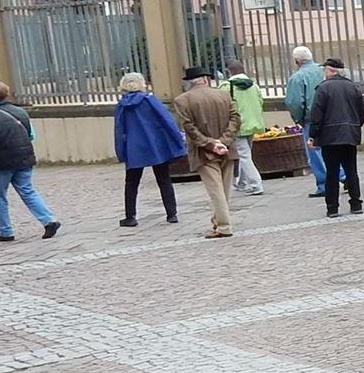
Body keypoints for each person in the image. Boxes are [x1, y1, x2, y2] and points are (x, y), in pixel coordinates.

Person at [0, 81, 61, 243]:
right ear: (7, 94)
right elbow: (31, 135)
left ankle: (5, 231)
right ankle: (48, 220)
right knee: (28, 191)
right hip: (24, 158)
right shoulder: (21, 112)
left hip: (0, 162)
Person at [172, 68, 241, 239]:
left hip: (204, 152)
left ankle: (224, 226)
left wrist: (210, 144)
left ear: (189, 82)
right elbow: (235, 119)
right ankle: (218, 222)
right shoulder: (224, 95)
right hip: (227, 149)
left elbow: (189, 127)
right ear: (206, 79)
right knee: (224, 190)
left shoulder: (182, 100)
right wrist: (223, 141)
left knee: (216, 191)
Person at [113, 72, 184, 227]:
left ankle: (130, 216)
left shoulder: (121, 105)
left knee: (131, 182)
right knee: (164, 179)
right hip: (155, 144)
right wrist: (178, 138)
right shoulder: (149, 100)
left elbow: (119, 130)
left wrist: (121, 151)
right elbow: (166, 120)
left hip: (133, 147)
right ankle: (171, 214)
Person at [308, 59, 364, 217]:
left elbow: (316, 114)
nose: (324, 73)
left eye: (325, 70)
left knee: (332, 172)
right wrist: (354, 126)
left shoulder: (323, 88)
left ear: (331, 71)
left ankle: (332, 207)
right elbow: (362, 113)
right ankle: (356, 204)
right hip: (350, 134)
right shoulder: (353, 87)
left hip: (329, 136)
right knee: (351, 170)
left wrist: (313, 135)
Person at [285, 46, 334, 198]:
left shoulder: (298, 77)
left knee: (315, 150)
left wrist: (298, 119)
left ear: (296, 60)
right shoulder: (324, 71)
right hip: (331, 116)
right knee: (332, 148)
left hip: (311, 118)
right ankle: (343, 175)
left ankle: (324, 184)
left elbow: (294, 103)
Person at [224, 59, 266, 196]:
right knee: (246, 154)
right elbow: (260, 102)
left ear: (228, 71)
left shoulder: (227, 86)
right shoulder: (254, 86)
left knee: (244, 155)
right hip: (253, 124)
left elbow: (222, 106)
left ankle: (256, 184)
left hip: (237, 125)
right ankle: (241, 182)